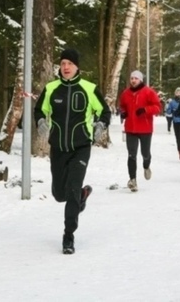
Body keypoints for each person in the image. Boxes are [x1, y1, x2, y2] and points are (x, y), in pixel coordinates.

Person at [34, 49, 111, 254]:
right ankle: (83, 196)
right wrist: (41, 120)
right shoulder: (51, 88)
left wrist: (100, 126)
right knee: (59, 195)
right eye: (63, 63)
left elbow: (104, 111)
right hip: (58, 147)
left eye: (70, 63)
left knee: (72, 190)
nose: (66, 67)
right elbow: (39, 109)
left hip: (80, 147)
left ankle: (68, 236)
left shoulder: (89, 88)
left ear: (77, 67)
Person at [118, 70, 162, 192]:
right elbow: (121, 106)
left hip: (145, 128)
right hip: (130, 128)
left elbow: (158, 107)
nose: (133, 80)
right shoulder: (126, 93)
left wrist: (145, 110)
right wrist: (123, 112)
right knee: (131, 154)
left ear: (141, 80)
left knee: (145, 153)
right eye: (132, 78)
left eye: (136, 78)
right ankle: (133, 180)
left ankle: (146, 166)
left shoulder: (148, 92)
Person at [166, 87, 180, 161]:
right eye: (177, 92)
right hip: (176, 121)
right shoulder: (172, 102)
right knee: (178, 137)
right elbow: (168, 112)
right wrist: (170, 108)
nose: (178, 93)